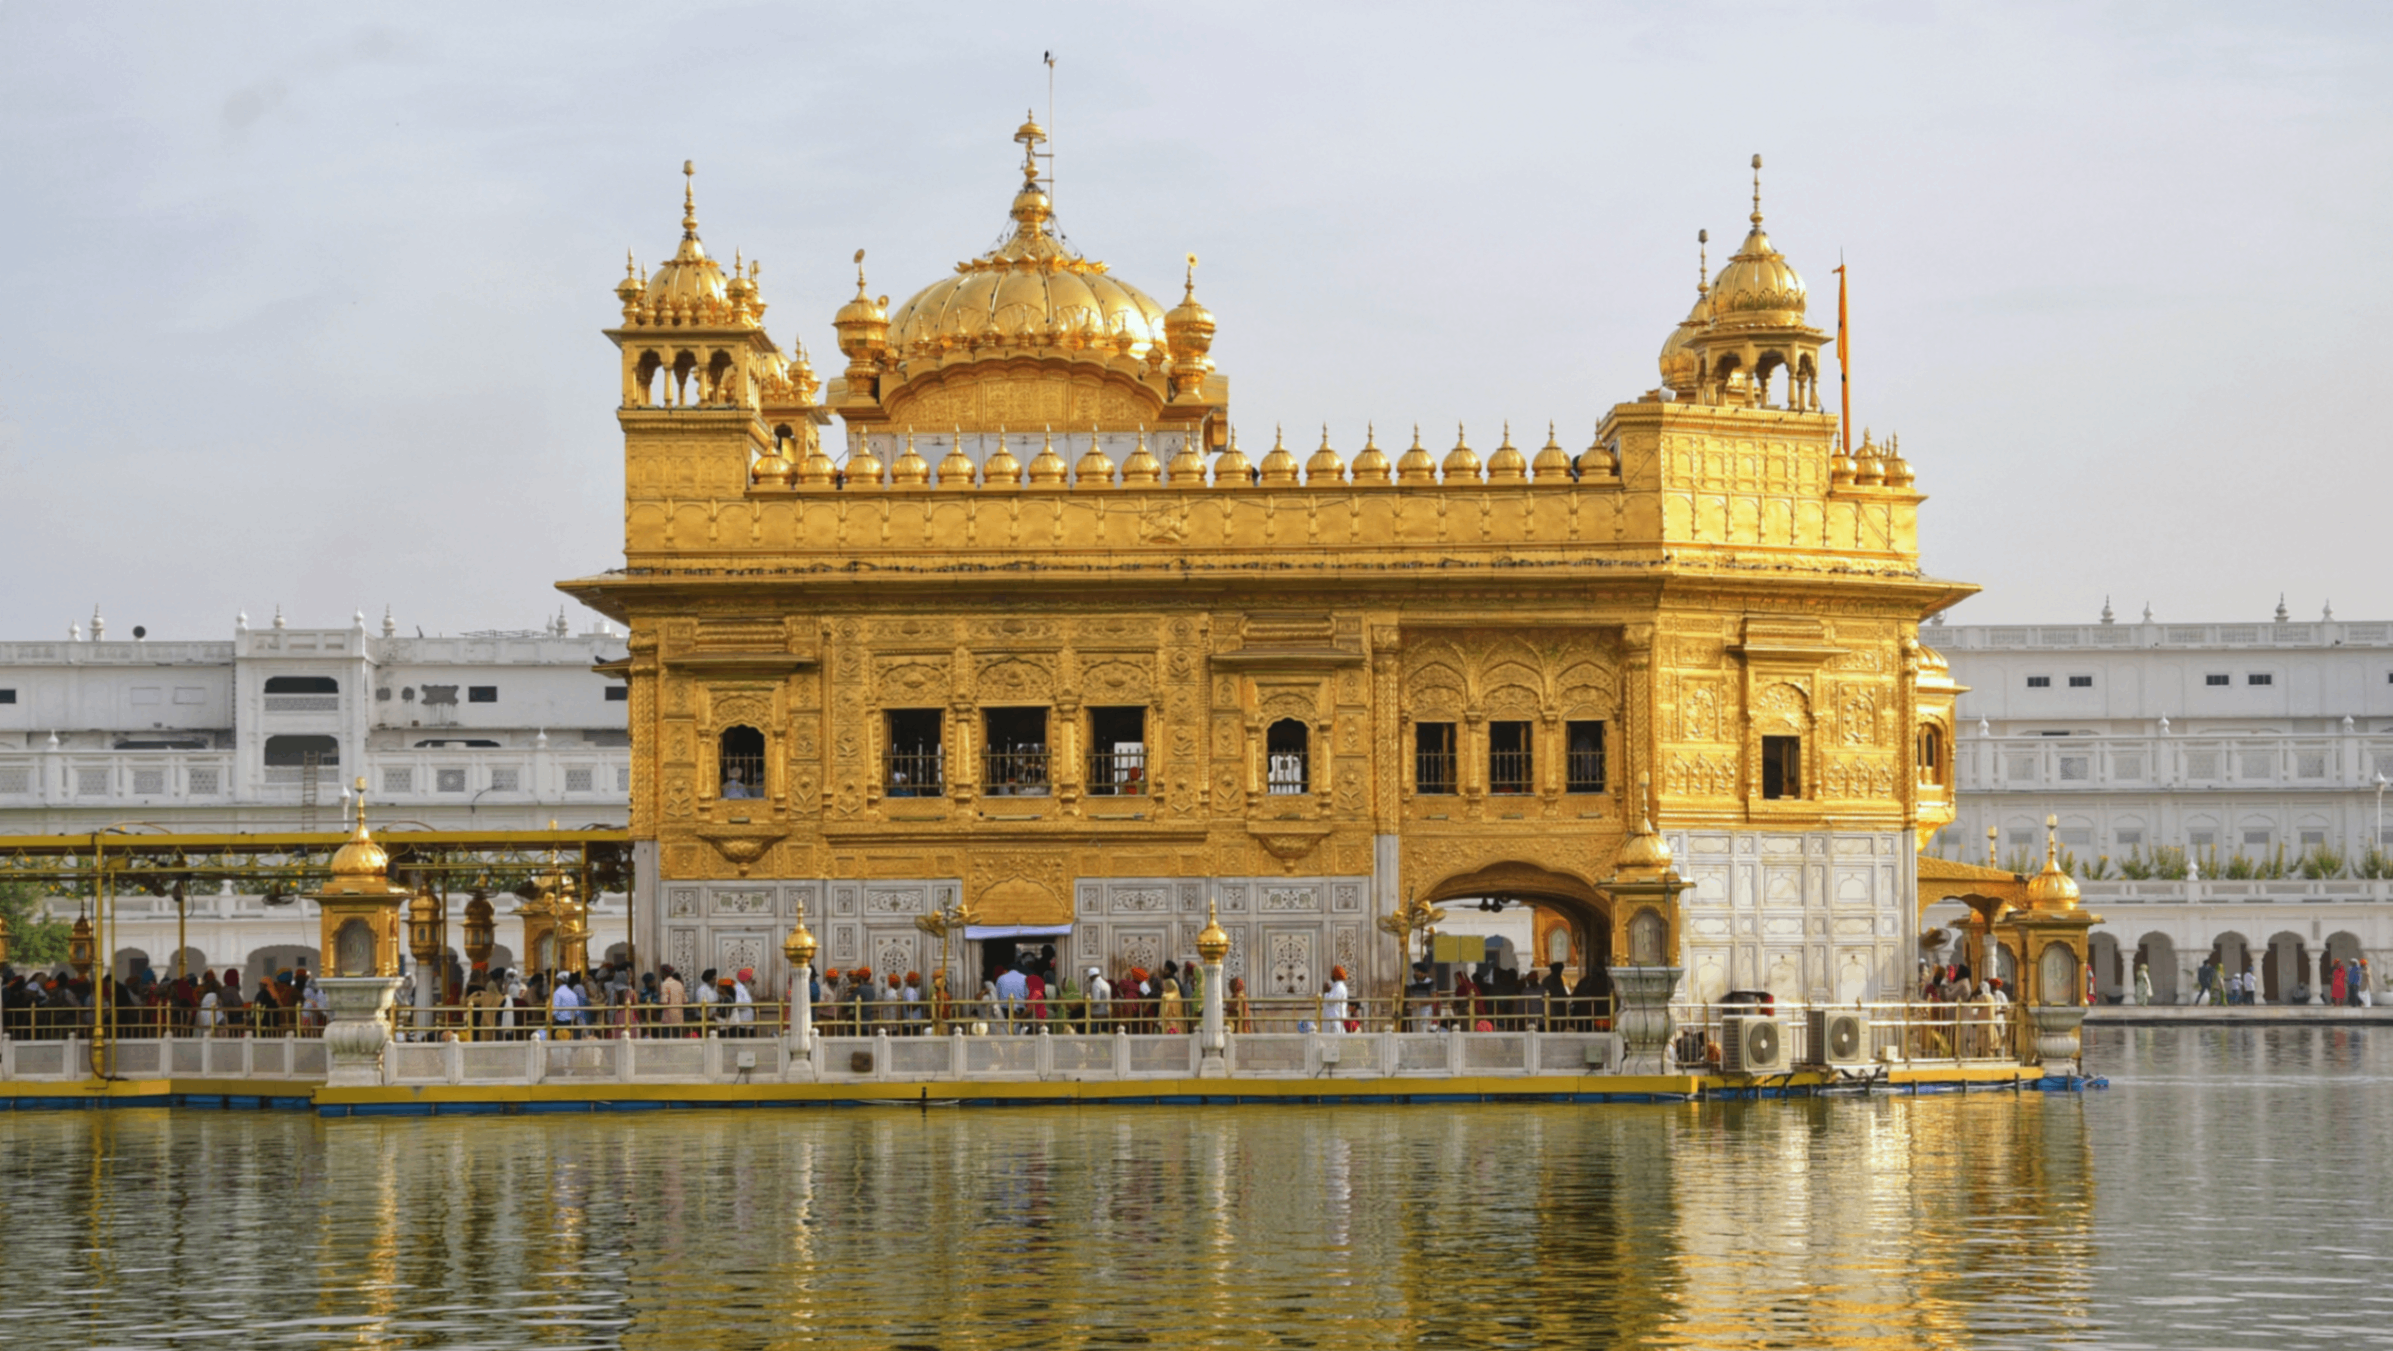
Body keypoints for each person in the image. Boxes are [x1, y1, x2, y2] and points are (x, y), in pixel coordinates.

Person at [995, 959, 1029, 1031]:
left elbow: (997, 996)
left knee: (1005, 1028)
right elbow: (1027, 996)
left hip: (1004, 1009)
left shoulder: (1000, 978)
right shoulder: (1025, 977)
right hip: (1020, 1010)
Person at [1323, 965, 1349, 1032]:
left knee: (1336, 1041)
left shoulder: (1339, 986)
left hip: (1335, 1020)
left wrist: (1326, 992)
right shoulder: (1336, 986)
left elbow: (1331, 1000)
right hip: (1332, 1020)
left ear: (1335, 975)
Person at [1085, 966, 1111, 1032]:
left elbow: (1096, 1001)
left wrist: (1088, 1005)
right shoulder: (1105, 983)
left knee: (1096, 1037)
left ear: (1091, 977)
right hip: (1106, 1012)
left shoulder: (1095, 984)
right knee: (1104, 1035)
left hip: (1098, 1014)